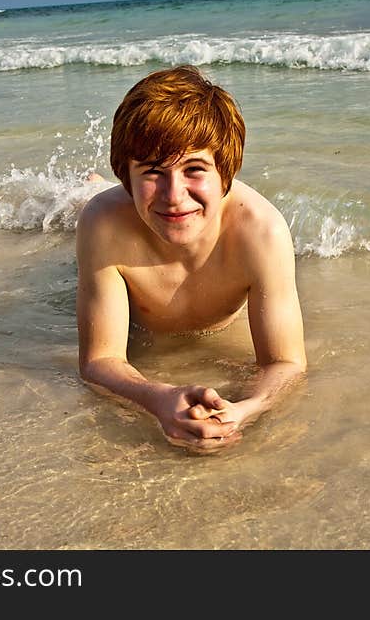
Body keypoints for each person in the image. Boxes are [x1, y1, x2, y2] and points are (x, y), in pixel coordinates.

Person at [76, 65, 306, 452]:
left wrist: (245, 410)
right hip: (115, 229)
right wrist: (157, 397)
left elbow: (286, 363)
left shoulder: (262, 232)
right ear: (125, 176)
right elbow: (99, 359)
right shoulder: (102, 224)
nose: (173, 195)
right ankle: (88, 187)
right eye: (152, 171)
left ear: (225, 173)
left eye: (194, 169)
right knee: (86, 207)